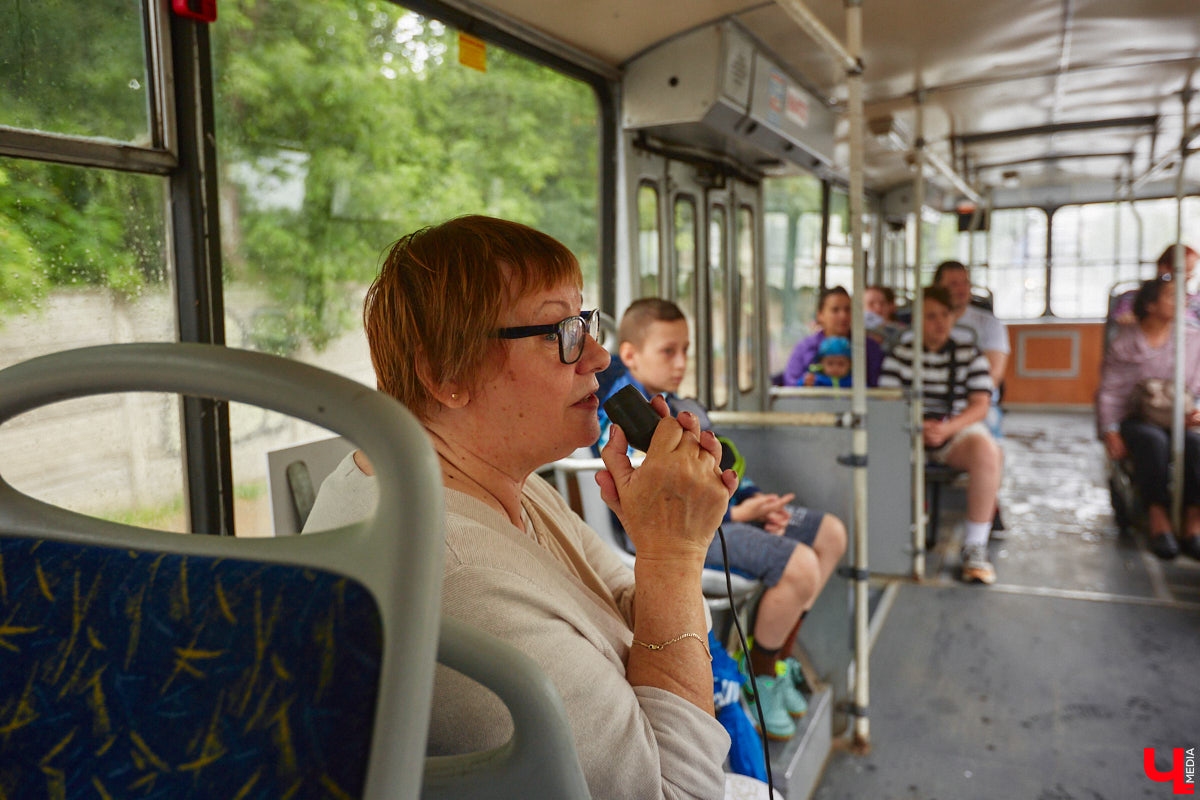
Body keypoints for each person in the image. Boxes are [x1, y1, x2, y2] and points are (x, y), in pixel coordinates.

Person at [302, 216, 747, 798]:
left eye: (583, 322)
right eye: (557, 332)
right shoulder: (453, 573)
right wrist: (672, 556)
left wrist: (665, 532)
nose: (596, 356)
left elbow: (627, 610)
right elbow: (676, 793)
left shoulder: (498, 482)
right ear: (444, 375)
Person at [597, 298, 848, 741]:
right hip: (680, 531)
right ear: (630, 355)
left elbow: (719, 466)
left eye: (686, 351)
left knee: (830, 534)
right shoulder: (622, 421)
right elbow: (659, 499)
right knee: (800, 565)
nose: (680, 363)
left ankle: (780, 655)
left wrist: (756, 502)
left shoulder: (686, 407)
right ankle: (762, 678)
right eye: (668, 352)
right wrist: (737, 511)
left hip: (726, 512)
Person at [879, 286, 1004, 585]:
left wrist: (947, 428)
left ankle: (975, 547)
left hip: (955, 430)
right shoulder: (901, 356)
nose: (939, 323)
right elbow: (888, 401)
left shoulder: (969, 354)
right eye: (930, 316)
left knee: (988, 451)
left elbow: (980, 405)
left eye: (944, 315)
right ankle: (893, 537)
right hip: (908, 432)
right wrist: (916, 427)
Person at [1096, 278, 1200, 560]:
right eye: (1170, 296)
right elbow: (1111, 392)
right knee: (1153, 442)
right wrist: (1111, 431)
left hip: (1183, 417)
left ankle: (1193, 519)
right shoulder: (1125, 343)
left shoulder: (1192, 340)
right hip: (1138, 417)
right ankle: (1157, 515)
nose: (1180, 301)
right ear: (1151, 305)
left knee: (1194, 445)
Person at [782, 286, 884, 386]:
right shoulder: (804, 348)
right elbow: (791, 385)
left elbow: (876, 386)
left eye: (848, 310)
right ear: (820, 315)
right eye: (835, 310)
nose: (843, 316)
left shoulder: (869, 348)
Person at [1109, 244, 1200, 327]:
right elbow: (1118, 324)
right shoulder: (1130, 298)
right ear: (1163, 268)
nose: (1189, 277)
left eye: (1191, 272)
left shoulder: (1195, 301)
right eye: (1184, 271)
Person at [863, 285, 906, 351]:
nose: (878, 308)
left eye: (882, 303)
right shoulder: (856, 335)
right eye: (871, 304)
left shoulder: (902, 331)